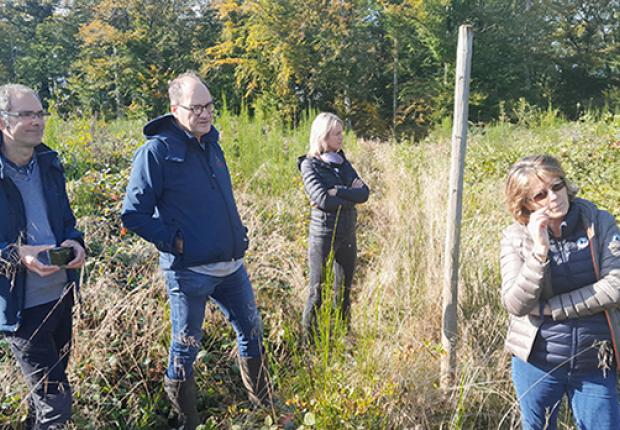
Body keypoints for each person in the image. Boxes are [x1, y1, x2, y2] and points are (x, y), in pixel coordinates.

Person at [121, 72, 270, 429]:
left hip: (231, 266)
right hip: (189, 273)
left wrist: (238, 231)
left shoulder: (211, 145)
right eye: (196, 107)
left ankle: (265, 407)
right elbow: (133, 214)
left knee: (251, 331)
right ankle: (186, 420)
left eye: (209, 106)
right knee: (186, 346)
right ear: (175, 109)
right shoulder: (156, 151)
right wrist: (174, 241)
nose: (205, 113)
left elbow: (220, 200)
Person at [500, 154, 620, 429]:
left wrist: (551, 308)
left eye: (557, 186)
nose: (553, 197)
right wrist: (539, 250)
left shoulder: (599, 222)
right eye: (540, 195)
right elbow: (516, 303)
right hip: (538, 361)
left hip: (595, 360)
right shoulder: (515, 237)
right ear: (525, 204)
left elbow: (615, 286)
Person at [0, 84, 86, 429]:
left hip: (61, 297)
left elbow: (66, 221)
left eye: (39, 113)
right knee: (56, 404)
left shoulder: (49, 163)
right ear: (3, 122)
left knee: (45, 399)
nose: (37, 121)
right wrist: (18, 254)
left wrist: (75, 242)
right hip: (22, 309)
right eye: (26, 115)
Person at [297, 112, 369, 340]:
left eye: (341, 133)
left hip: (347, 233)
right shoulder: (309, 165)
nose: (341, 138)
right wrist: (349, 195)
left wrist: (338, 191)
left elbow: (364, 193)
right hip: (323, 235)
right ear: (323, 136)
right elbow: (323, 200)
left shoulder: (342, 162)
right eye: (336, 134)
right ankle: (310, 342)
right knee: (317, 291)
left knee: (344, 289)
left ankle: (342, 335)